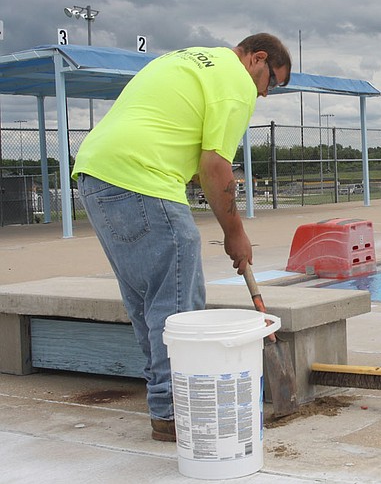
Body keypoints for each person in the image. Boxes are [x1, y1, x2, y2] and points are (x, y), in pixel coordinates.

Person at [72, 33, 291, 440]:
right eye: (272, 82)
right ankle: (178, 412)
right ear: (257, 59)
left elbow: (189, 153)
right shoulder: (236, 82)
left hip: (95, 175)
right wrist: (236, 234)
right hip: (142, 178)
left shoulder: (191, 59)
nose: (264, 94)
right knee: (179, 307)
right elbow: (215, 167)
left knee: (148, 301)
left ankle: (164, 406)